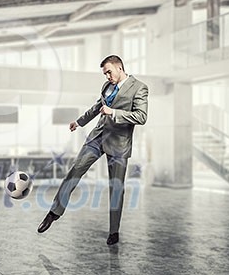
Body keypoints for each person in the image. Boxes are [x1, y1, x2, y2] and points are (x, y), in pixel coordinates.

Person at [37, 55, 148, 245]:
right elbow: (97, 107)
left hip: (119, 143)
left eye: (109, 72)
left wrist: (113, 112)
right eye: (105, 73)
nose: (107, 76)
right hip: (97, 137)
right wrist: (79, 122)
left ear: (119, 68)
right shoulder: (106, 87)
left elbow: (141, 116)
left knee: (116, 188)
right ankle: (54, 212)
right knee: (75, 170)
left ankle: (114, 231)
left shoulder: (139, 87)